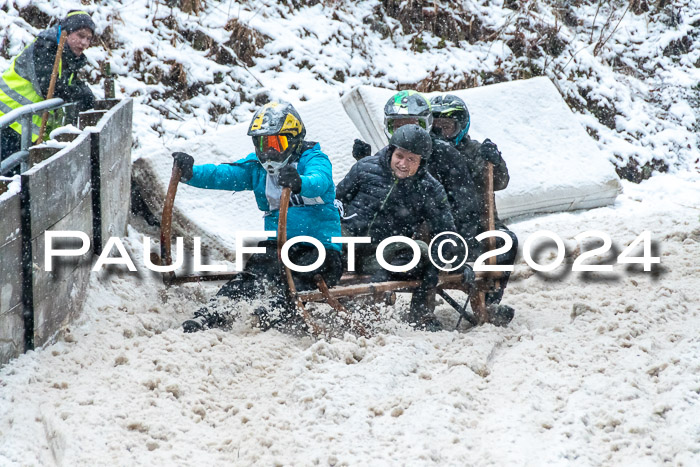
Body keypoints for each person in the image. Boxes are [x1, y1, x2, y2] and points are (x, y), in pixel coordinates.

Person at [172, 100, 343, 333]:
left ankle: (272, 311)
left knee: (301, 277)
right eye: (262, 143)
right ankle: (212, 313)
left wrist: (300, 182)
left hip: (321, 249)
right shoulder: (257, 168)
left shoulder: (313, 159)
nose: (269, 151)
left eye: (276, 142)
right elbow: (224, 174)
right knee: (253, 277)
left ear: (293, 140)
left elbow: (319, 180)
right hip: (278, 246)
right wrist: (191, 173)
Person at [336, 124, 475, 332]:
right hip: (347, 246)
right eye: (400, 156)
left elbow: (445, 233)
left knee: (424, 253)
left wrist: (457, 262)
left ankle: (421, 315)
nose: (403, 164)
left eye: (412, 160)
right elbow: (337, 201)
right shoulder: (364, 168)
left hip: (386, 255)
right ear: (391, 151)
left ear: (421, 162)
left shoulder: (430, 188)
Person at [430, 93, 517, 325]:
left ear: (460, 126)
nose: (442, 134)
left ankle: (491, 301)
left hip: (477, 223)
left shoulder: (476, 151)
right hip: (438, 225)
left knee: (506, 240)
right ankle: (424, 308)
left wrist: (496, 161)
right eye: (436, 128)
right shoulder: (425, 153)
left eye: (447, 127)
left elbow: (500, 181)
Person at [0, 10, 96, 161]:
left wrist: (82, 91)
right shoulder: (44, 48)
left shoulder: (68, 57)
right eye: (80, 35)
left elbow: (66, 86)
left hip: (26, 127)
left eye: (89, 39)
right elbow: (50, 88)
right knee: (8, 176)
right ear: (66, 32)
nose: (84, 43)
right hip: (9, 122)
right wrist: (80, 93)